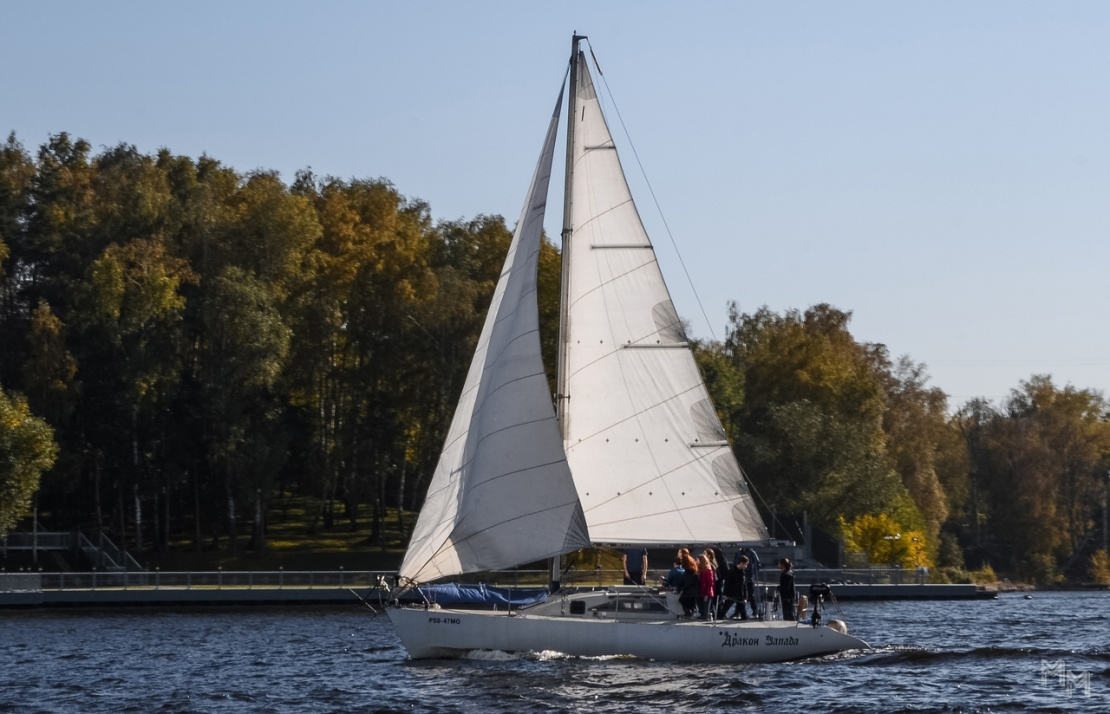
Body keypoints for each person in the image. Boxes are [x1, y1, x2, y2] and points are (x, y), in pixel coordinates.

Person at [718, 555, 750, 620]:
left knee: (743, 615)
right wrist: (725, 594)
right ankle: (719, 618)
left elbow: (744, 586)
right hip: (731, 594)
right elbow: (727, 583)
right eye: (745, 564)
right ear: (741, 563)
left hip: (740, 595)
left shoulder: (743, 573)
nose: (746, 566)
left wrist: (745, 597)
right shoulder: (731, 571)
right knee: (724, 610)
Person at [740, 546, 761, 618]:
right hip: (740, 576)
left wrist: (753, 573)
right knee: (740, 594)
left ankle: (755, 611)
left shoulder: (752, 553)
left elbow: (757, 564)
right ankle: (739, 611)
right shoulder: (738, 553)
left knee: (751, 595)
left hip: (749, 577)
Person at [679, 553, 700, 617]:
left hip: (691, 590)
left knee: (682, 599)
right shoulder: (692, 570)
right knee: (688, 601)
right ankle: (690, 611)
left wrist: (682, 589)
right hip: (693, 589)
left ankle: (689, 612)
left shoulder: (689, 571)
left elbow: (688, 582)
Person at [697, 554, 715, 620]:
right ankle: (702, 614)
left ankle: (706, 616)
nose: (697, 561)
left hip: (707, 591)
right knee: (702, 604)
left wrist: (707, 594)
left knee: (706, 605)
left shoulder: (708, 570)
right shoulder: (701, 570)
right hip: (702, 590)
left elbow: (710, 583)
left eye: (698, 560)